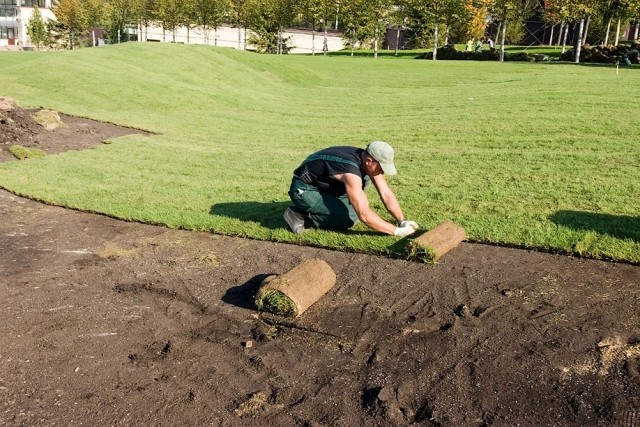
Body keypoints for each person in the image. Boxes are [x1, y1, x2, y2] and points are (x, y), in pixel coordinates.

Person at [283, 141, 419, 237]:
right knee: (347, 219)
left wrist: (402, 221)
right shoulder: (350, 171)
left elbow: (386, 193)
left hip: (325, 185)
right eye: (381, 166)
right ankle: (298, 213)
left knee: (360, 192)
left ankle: (325, 206)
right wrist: (396, 231)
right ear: (369, 161)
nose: (382, 171)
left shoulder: (365, 158)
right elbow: (364, 215)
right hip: (304, 189)